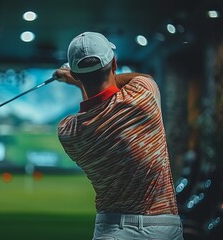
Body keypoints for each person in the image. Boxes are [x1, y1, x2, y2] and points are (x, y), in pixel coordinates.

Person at [54, 32, 184, 239]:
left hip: (111, 230)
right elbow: (144, 78)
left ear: (78, 75)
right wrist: (76, 80)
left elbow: (93, 110)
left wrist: (80, 80)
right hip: (162, 229)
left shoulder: (69, 132)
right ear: (114, 63)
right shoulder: (143, 94)